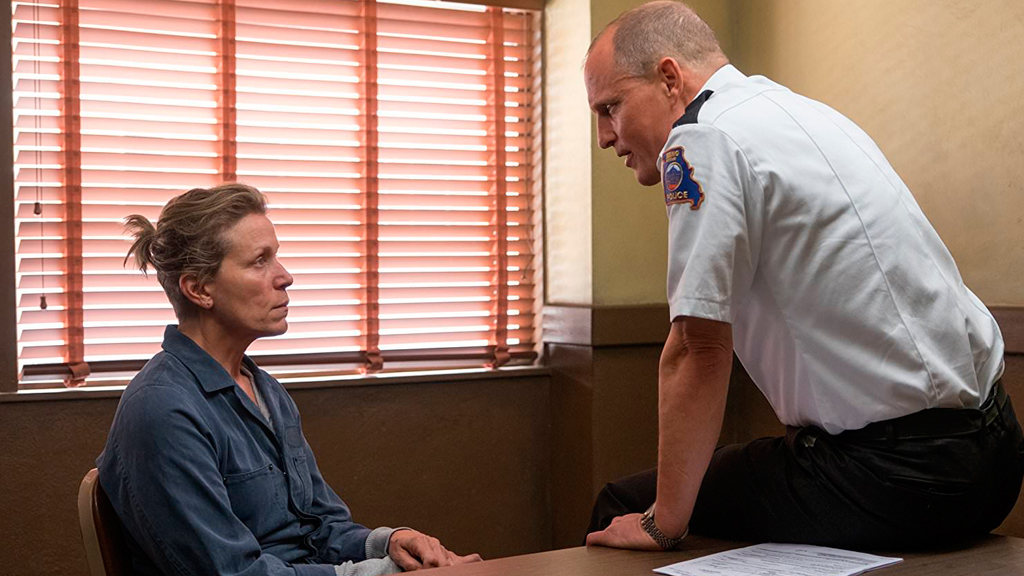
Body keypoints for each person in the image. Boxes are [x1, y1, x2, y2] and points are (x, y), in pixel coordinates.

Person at [582, 1, 1023, 551]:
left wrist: (662, 523)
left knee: (623, 505)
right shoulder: (801, 112)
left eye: (610, 107)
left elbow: (698, 348)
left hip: (894, 480)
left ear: (670, 78)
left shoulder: (701, 139)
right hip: (998, 456)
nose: (604, 136)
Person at [96, 183, 481, 575]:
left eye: (276, 257)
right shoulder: (161, 408)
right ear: (199, 289)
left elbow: (319, 527)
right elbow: (233, 573)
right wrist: (386, 574)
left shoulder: (266, 391)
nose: (285, 277)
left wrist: (389, 544)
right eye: (259, 261)